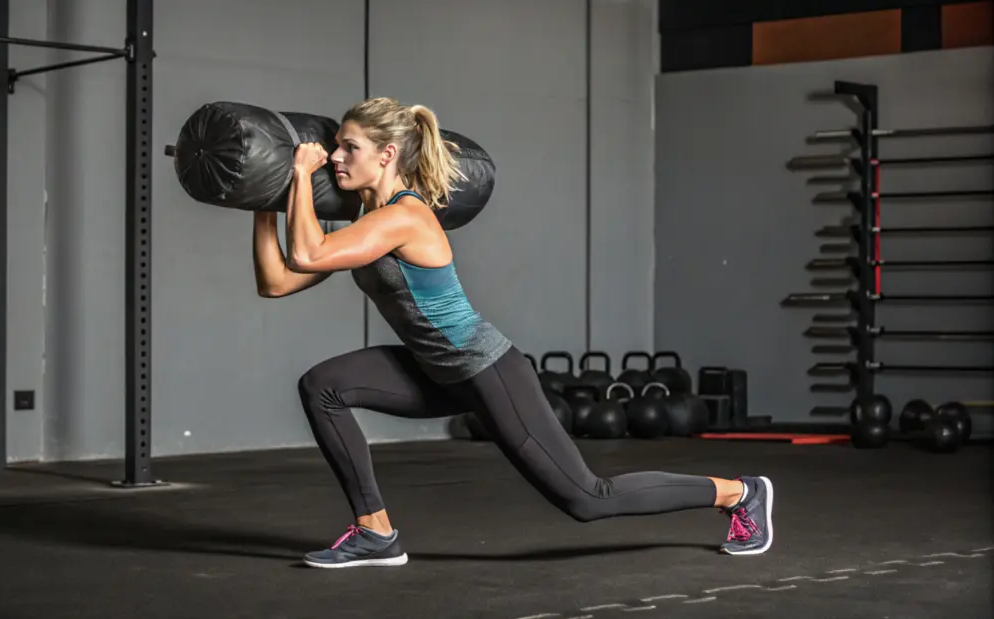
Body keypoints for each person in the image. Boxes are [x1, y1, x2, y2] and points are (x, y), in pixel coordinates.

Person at [252, 97, 774, 569]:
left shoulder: (404, 217)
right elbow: (276, 282)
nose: (336, 157)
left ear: (387, 154)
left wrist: (298, 177)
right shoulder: (366, 222)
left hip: (485, 368)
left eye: (350, 147)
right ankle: (375, 532)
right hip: (434, 369)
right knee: (324, 386)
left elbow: (307, 253)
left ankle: (737, 493)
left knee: (588, 498)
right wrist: (260, 198)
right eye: (337, 147)